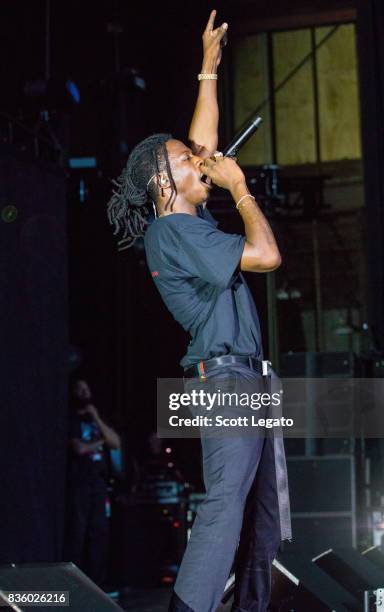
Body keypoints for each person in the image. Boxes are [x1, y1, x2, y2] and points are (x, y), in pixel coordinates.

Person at [107, 10, 291, 612]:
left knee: (262, 521)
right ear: (163, 181)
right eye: (185, 160)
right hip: (224, 379)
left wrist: (208, 68)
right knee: (223, 506)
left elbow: (203, 145)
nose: (200, 161)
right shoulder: (174, 232)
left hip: (245, 377)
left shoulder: (190, 221)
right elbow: (265, 254)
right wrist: (239, 188)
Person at [64, 377, 121, 587]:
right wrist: (100, 442)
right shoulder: (72, 420)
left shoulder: (98, 418)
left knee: (99, 533)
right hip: (79, 483)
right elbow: (79, 449)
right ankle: (73, 583)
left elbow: (115, 442)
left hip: (99, 484)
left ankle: (97, 584)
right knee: (78, 534)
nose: (84, 392)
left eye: (86, 387)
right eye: (79, 388)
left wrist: (96, 417)